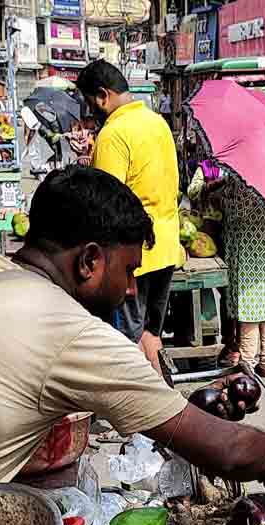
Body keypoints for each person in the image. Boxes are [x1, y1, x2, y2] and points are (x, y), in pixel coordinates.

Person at [0, 167, 265, 497]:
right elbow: (226, 450)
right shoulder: (74, 333)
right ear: (89, 260)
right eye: (129, 270)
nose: (130, 290)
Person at [76, 60, 179, 368]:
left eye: (88, 102)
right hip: (166, 247)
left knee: (127, 342)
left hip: (134, 257)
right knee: (150, 336)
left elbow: (105, 204)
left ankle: (138, 410)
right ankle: (162, 404)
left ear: (102, 96)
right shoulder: (158, 123)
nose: (89, 110)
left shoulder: (113, 134)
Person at [187, 160, 265, 377]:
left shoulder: (236, 180)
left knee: (248, 304)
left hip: (245, 244)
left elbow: (217, 203)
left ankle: (245, 367)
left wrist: (214, 188)